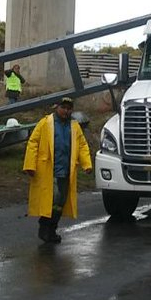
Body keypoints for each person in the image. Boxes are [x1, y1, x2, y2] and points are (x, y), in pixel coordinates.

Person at [22, 97, 92, 243]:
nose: (66, 111)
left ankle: (51, 229)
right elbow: (33, 143)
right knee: (52, 200)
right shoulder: (45, 123)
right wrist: (30, 165)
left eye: (69, 108)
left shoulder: (74, 126)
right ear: (56, 107)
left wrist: (87, 164)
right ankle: (45, 227)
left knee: (60, 202)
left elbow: (82, 145)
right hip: (49, 171)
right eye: (63, 108)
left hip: (66, 172)